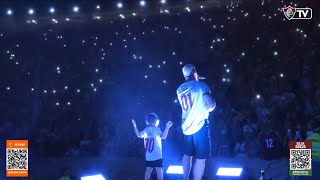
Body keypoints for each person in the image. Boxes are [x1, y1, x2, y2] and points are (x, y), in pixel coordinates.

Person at [176, 64, 216, 180]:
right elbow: (211, 105)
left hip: (186, 127)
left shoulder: (179, 89)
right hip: (200, 126)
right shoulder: (201, 86)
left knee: (187, 155)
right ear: (194, 72)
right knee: (200, 158)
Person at [132, 113, 173, 180]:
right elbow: (163, 137)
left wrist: (134, 126)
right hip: (157, 155)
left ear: (147, 122)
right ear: (156, 121)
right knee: (159, 170)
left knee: (148, 171)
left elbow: (138, 135)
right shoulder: (157, 129)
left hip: (149, 156)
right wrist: (167, 127)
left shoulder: (146, 129)